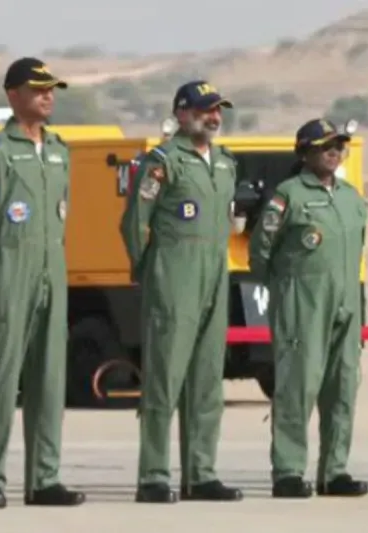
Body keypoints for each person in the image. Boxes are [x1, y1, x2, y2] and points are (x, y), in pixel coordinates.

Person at [0, 57, 85, 509]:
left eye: (51, 89)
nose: (47, 96)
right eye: (37, 89)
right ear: (13, 95)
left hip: (52, 273)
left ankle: (43, 478)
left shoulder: (59, 151)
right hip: (9, 274)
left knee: (49, 378)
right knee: (0, 378)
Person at [120, 80, 243, 504]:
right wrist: (150, 270)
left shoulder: (225, 164)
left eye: (218, 109)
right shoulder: (163, 162)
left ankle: (200, 473)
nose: (214, 117)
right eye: (206, 109)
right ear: (183, 113)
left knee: (207, 380)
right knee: (164, 379)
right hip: (174, 278)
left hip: (214, 276)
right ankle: (153, 475)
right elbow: (135, 223)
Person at [248, 119, 368, 499]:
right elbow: (260, 252)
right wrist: (287, 290)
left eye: (338, 146)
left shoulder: (351, 197)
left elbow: (357, 251)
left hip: (346, 304)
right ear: (304, 152)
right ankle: (288, 470)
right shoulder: (289, 195)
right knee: (297, 387)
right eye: (325, 146)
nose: (333, 153)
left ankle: (334, 471)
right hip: (303, 304)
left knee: (343, 387)